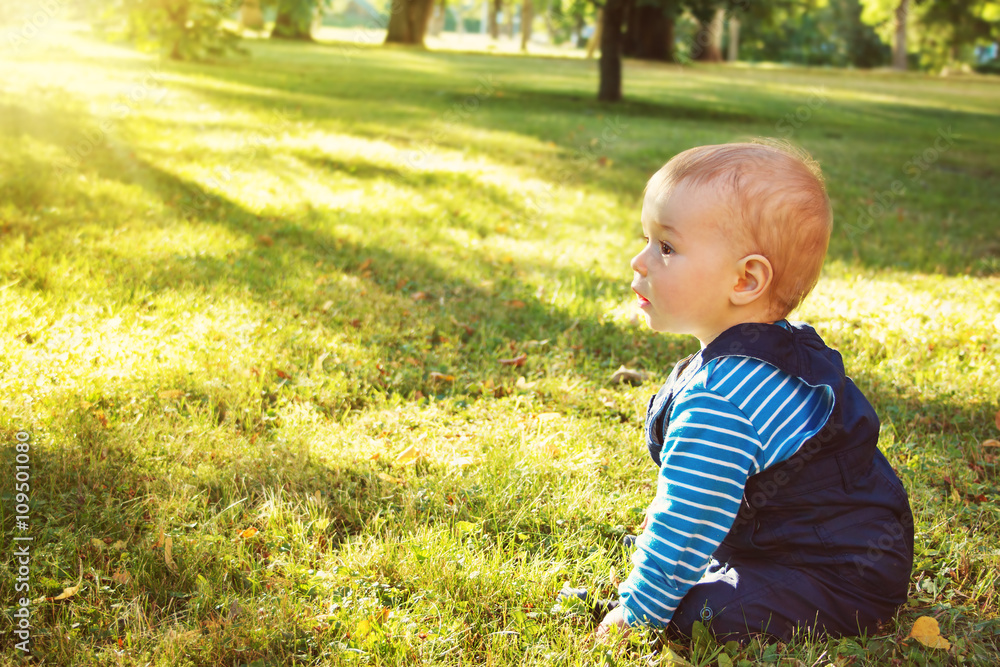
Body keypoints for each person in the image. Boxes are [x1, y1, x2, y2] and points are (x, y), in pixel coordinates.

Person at [592, 141, 913, 643]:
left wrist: (637, 614)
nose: (639, 260)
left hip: (840, 576)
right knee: (696, 577)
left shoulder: (724, 397)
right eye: (646, 239)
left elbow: (688, 519)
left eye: (666, 247)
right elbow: (702, 495)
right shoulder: (759, 353)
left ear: (746, 279)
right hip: (799, 545)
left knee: (700, 615)